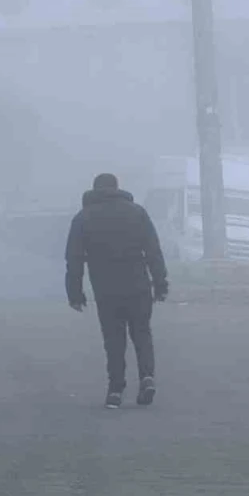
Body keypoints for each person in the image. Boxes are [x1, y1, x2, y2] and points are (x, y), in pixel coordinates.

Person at [65, 173, 169, 409]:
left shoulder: (83, 218)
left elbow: (74, 259)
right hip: (138, 285)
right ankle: (147, 377)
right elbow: (153, 251)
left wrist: (75, 292)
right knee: (142, 333)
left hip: (106, 289)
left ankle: (115, 390)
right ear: (117, 188)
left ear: (94, 190)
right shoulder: (137, 213)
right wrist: (160, 283)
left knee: (114, 339)